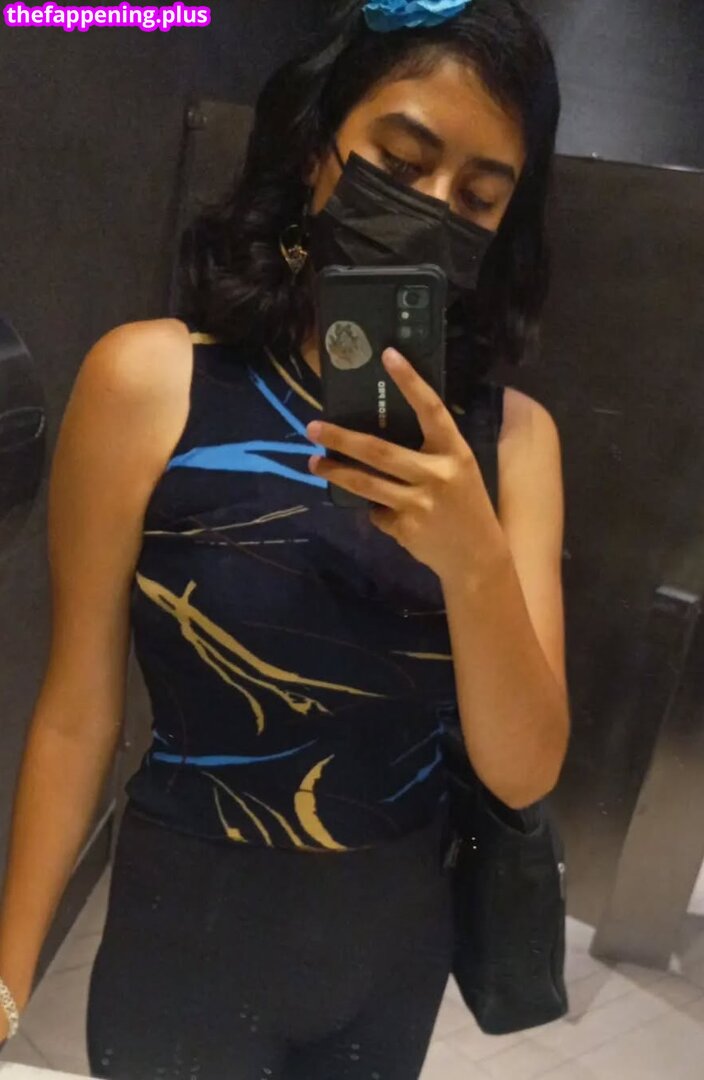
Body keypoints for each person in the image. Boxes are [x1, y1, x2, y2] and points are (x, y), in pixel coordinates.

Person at [0, 1, 571, 1076]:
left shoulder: (517, 446)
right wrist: (5, 980)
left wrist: (474, 559)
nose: (433, 208)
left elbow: (524, 769)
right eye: (400, 162)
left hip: (392, 948)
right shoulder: (150, 383)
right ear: (317, 151)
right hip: (186, 932)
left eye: (478, 196)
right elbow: (76, 714)